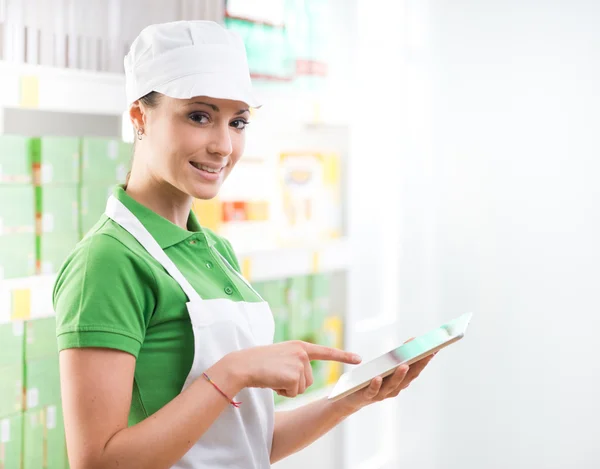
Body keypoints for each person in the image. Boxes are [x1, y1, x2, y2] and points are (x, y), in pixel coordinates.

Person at [53, 20, 433, 469]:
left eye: (238, 122)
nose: (223, 145)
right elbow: (96, 463)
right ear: (139, 116)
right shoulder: (108, 261)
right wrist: (234, 372)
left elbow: (243, 442)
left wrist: (349, 399)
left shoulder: (216, 251)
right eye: (199, 116)